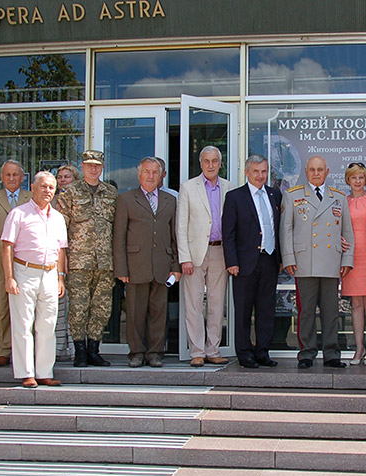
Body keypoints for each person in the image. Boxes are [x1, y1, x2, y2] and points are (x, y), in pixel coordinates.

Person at [281, 155, 354, 369]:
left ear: (327, 172)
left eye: (320, 169)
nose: (316, 173)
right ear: (306, 171)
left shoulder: (338, 197)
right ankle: (307, 353)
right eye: (312, 169)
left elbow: (347, 231)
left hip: (331, 262)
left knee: (331, 312)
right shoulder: (293, 196)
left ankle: (331, 353)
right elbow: (285, 230)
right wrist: (288, 258)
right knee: (306, 311)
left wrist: (347, 260)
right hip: (305, 261)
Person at [1, 171, 68, 388]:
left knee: (48, 325)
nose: (47, 191)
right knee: (23, 325)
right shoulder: (18, 214)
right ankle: (26, 373)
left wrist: (60, 278)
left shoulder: (58, 218)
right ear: (33, 187)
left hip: (50, 274)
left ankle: (44, 372)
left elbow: (61, 251)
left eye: (51, 187)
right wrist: (9, 277)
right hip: (24, 273)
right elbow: (7, 247)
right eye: (43, 186)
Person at [113, 157, 182, 368]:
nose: (151, 176)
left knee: (158, 313)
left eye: (155, 172)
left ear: (161, 175)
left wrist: (176, 266)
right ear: (139, 174)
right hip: (135, 266)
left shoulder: (170, 200)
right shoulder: (125, 199)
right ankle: (136, 352)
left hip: (162, 265)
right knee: (135, 313)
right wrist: (121, 268)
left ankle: (155, 353)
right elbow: (119, 237)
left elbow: (174, 236)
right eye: (147, 172)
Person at [56, 150, 117, 368]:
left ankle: (94, 349)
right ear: (82, 167)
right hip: (78, 262)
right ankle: (79, 351)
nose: (93, 169)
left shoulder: (111, 193)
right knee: (78, 308)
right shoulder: (69, 192)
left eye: (97, 165)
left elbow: (116, 229)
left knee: (102, 308)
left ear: (102, 168)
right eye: (89, 165)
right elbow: (59, 229)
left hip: (105, 262)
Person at [177, 146, 235, 367]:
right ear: (200, 163)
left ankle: (213, 349)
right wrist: (185, 258)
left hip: (220, 252)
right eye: (206, 161)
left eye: (215, 161)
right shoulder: (189, 188)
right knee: (193, 304)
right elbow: (181, 226)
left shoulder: (229, 187)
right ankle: (197, 352)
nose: (211, 165)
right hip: (195, 253)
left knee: (217, 303)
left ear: (220, 163)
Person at [222, 155, 282, 369]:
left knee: (266, 309)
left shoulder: (275, 195)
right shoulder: (235, 197)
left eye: (264, 171)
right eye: (256, 171)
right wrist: (232, 261)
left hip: (269, 260)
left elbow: (280, 229)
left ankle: (263, 351)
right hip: (244, 263)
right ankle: (245, 353)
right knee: (243, 311)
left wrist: (281, 258)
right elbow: (228, 233)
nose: (260, 176)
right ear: (247, 172)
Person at [0, 159, 32, 367]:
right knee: (2, 310)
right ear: (2, 177)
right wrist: (5, 249)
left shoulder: (31, 198)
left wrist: (20, 250)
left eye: (16, 175)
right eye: (8, 175)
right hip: (0, 262)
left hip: (26, 262)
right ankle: (3, 350)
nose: (12, 178)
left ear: (22, 177)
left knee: (25, 310)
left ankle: (24, 352)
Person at [342, 162, 366, 365]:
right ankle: (358, 348)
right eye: (353, 177)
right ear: (348, 179)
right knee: (356, 304)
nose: (357, 181)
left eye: (361, 177)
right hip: (351, 256)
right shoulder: (342, 201)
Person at [52, 164, 80, 361]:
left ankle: (73, 348)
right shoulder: (49, 203)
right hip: (54, 259)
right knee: (58, 306)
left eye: (67, 176)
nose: (62, 180)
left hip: (78, 258)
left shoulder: (80, 202)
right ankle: (58, 348)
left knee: (75, 306)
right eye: (60, 177)